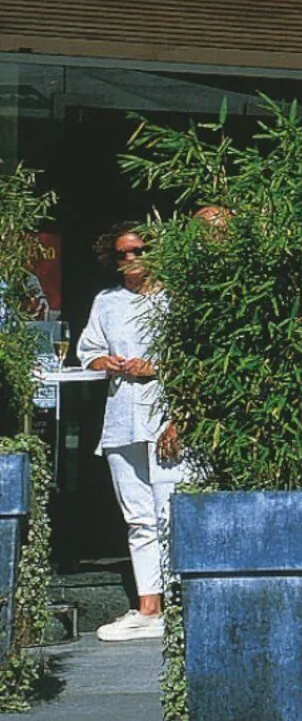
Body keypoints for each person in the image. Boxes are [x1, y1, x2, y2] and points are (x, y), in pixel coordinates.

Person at [74, 224, 179, 641]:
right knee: (138, 516)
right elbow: (89, 350)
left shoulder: (174, 298)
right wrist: (106, 362)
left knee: (170, 510)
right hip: (121, 416)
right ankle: (149, 606)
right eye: (122, 254)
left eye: (139, 250)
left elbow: (196, 358)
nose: (131, 259)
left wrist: (156, 367)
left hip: (165, 413)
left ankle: (179, 604)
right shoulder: (107, 301)